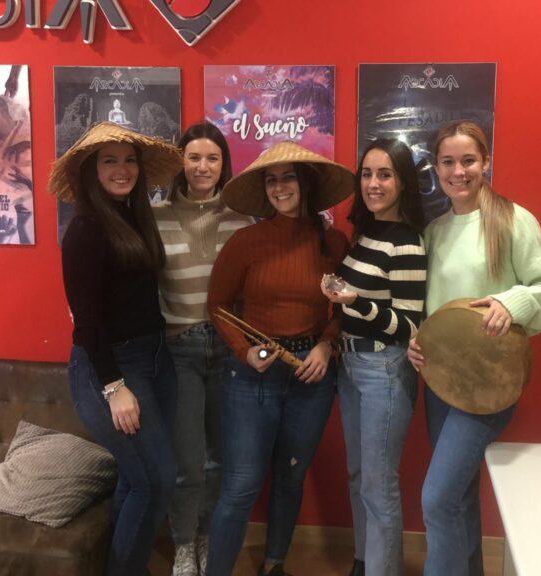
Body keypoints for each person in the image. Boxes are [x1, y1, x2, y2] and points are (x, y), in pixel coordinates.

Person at [407, 121, 541, 576]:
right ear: (436, 167)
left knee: (437, 499)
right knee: (458, 499)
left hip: (489, 387)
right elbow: (429, 305)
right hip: (441, 383)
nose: (457, 171)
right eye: (448, 162)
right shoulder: (435, 231)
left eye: (468, 161)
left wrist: (509, 303)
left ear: (486, 162)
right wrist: (416, 342)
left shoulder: (514, 220)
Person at [205, 142, 354, 576]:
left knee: (290, 476)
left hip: (313, 375)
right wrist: (244, 350)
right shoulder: (246, 241)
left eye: (288, 177)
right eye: (271, 180)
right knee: (240, 486)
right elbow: (218, 305)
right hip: (253, 373)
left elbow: (344, 309)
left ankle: (274, 565)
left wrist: (326, 345)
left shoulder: (334, 242)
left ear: (306, 184)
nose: (279, 187)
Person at [50, 121, 184, 576]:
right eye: (110, 161)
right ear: (91, 171)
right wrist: (113, 386)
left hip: (156, 358)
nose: (122, 169)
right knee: (156, 482)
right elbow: (86, 322)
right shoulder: (86, 229)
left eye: (129, 161)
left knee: (136, 478)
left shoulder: (133, 218)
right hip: (112, 367)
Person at [320, 138, 426, 576]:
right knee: (359, 476)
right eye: (366, 174)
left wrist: (355, 302)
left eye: (385, 174)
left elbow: (410, 327)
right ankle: (364, 563)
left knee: (379, 487)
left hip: (385, 369)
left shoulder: (407, 243)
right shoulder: (366, 232)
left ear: (403, 182)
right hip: (351, 365)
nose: (373, 183)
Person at [152, 122, 254, 576]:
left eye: (212, 158)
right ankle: (182, 544)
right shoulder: (154, 218)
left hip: (228, 350)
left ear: (223, 164)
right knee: (187, 462)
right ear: (181, 163)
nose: (202, 166)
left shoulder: (241, 219)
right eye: (193, 157)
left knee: (219, 460)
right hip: (179, 351)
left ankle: (209, 535)